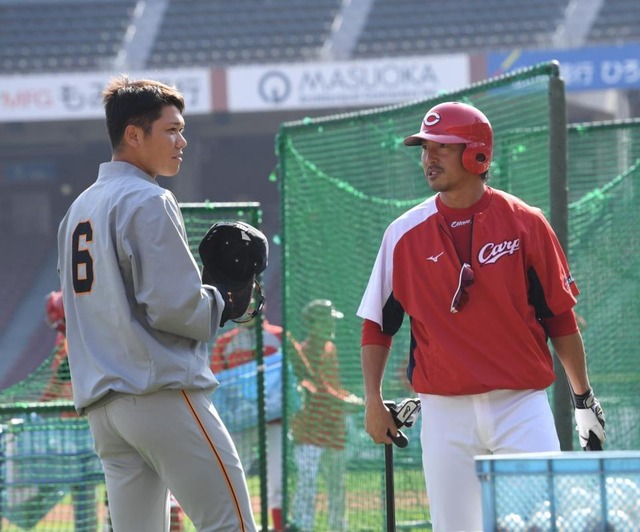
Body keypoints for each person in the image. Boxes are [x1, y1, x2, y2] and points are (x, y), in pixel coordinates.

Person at [357, 102, 606, 531]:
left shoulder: (527, 223)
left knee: (542, 523)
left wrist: (582, 398)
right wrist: (372, 401)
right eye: (424, 147)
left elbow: (560, 320)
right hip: (444, 414)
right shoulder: (401, 234)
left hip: (521, 406)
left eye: (442, 147)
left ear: (477, 155)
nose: (428, 157)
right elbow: (378, 325)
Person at [57, 75, 257, 532]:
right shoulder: (148, 197)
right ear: (133, 134)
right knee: (232, 525)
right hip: (159, 394)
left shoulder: (77, 211)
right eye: (170, 130)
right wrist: (223, 302)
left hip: (106, 410)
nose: (182, 141)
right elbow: (173, 308)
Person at [288, 299, 361, 532]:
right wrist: (345, 401)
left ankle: (339, 529)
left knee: (337, 487)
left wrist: (349, 397)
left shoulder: (330, 348)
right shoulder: (305, 350)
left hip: (332, 428)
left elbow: (332, 386)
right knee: (307, 485)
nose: (332, 323)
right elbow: (318, 387)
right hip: (309, 431)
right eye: (326, 319)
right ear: (313, 323)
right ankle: (302, 527)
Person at [211, 315, 285, 532]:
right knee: (233, 476)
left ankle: (279, 527)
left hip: (274, 419)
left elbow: (296, 371)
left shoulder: (279, 336)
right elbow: (216, 382)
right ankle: (238, 526)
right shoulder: (225, 342)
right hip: (239, 422)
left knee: (277, 479)